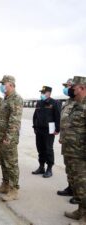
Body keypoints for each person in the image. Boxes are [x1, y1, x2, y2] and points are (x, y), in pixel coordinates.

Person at [0, 75, 23, 201]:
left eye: (3, 83)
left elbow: (14, 120)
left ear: (10, 84)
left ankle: (14, 189)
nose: (1, 86)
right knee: (4, 163)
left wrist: (9, 137)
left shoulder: (16, 99)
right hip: (1, 136)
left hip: (8, 138)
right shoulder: (6, 98)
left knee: (11, 163)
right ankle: (5, 185)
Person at [62, 76, 86, 224]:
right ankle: (80, 211)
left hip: (81, 154)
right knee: (76, 185)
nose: (71, 89)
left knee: (83, 186)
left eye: (74, 87)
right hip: (71, 152)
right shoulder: (75, 105)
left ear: (82, 88)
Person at [58, 79, 81, 205]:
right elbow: (64, 121)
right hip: (67, 140)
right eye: (66, 86)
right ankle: (71, 188)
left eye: (69, 86)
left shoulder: (80, 103)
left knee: (78, 170)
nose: (67, 88)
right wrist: (62, 136)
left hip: (78, 144)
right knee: (69, 167)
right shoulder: (68, 102)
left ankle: (79, 194)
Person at [32, 86, 61, 178]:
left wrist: (57, 129)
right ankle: (41, 167)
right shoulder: (39, 103)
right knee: (40, 149)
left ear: (49, 93)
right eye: (41, 92)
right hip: (39, 129)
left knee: (48, 149)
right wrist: (34, 127)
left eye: (44, 93)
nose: (42, 94)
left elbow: (58, 116)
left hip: (49, 130)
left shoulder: (54, 103)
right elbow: (35, 116)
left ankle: (49, 169)